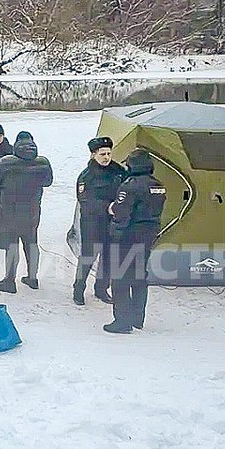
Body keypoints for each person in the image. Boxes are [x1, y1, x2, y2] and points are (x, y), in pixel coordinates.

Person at [104, 148, 166, 334]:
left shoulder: (130, 186)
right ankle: (138, 319)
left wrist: (112, 212)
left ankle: (122, 322)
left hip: (128, 236)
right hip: (148, 236)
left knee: (120, 278)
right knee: (139, 277)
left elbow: (122, 213)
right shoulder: (158, 186)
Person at [0, 131, 53, 294]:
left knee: (12, 245)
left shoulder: (6, 162)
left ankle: (9, 281)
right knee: (32, 243)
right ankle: (32, 278)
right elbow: (48, 182)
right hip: (32, 212)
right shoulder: (43, 162)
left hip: (9, 211)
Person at [73, 136, 127, 305]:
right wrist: (107, 207)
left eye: (108, 154)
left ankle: (101, 289)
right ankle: (78, 289)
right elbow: (85, 200)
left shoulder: (119, 171)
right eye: (102, 154)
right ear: (93, 155)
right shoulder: (86, 176)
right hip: (92, 223)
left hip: (113, 222)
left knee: (109, 257)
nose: (106, 157)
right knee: (88, 257)